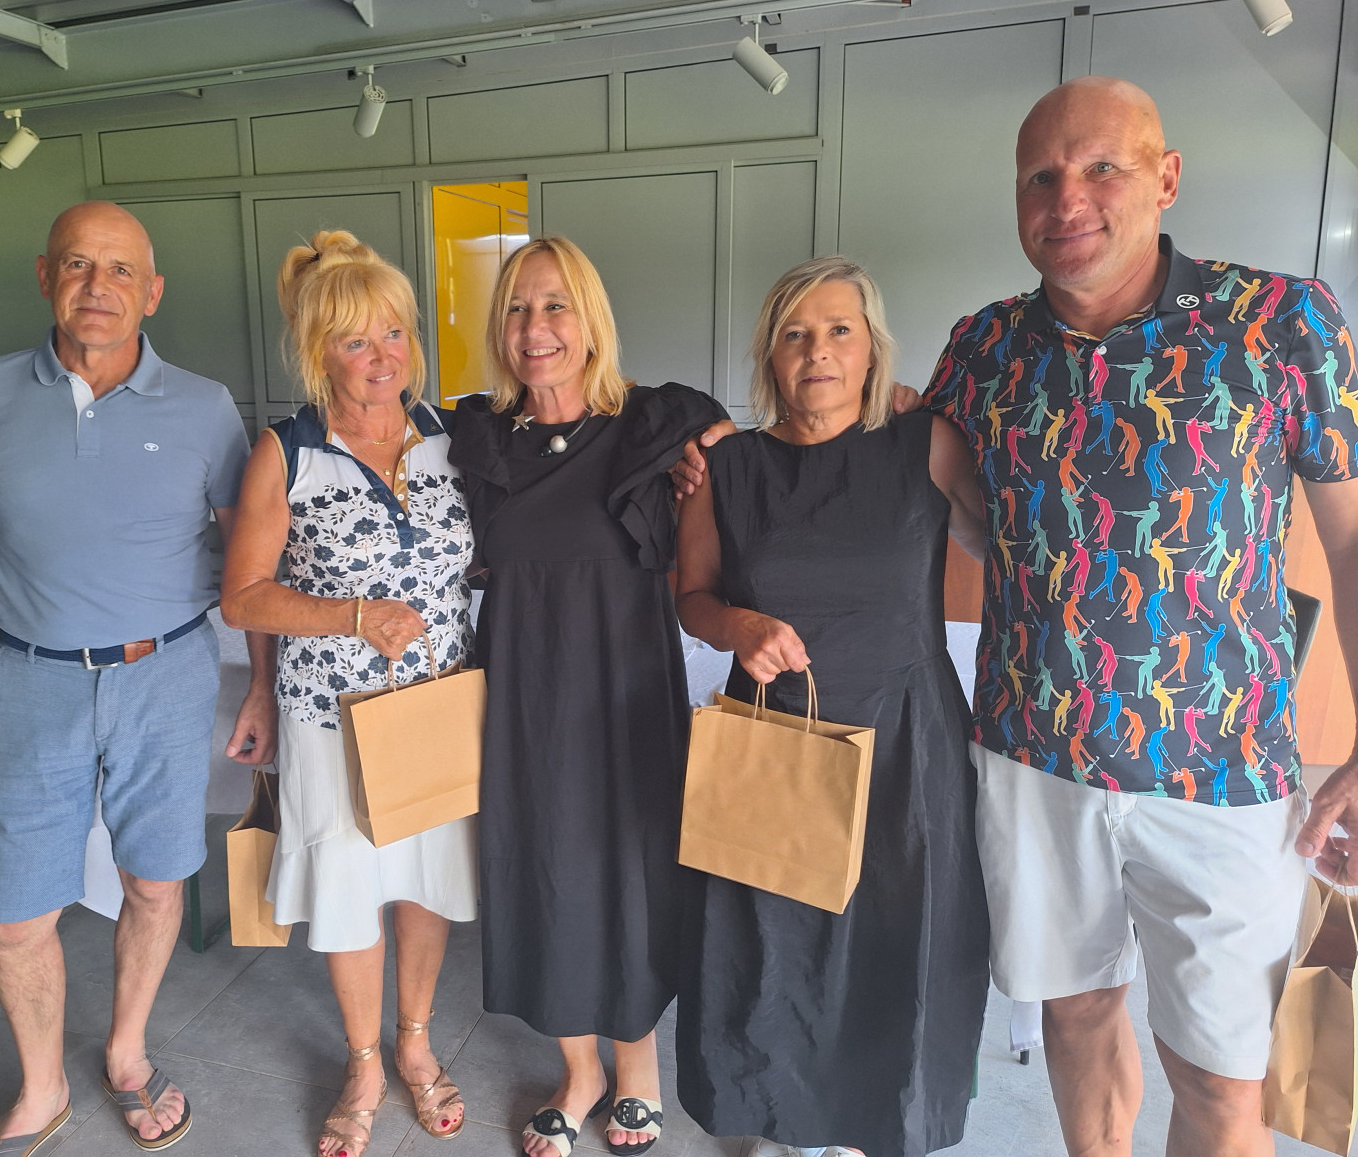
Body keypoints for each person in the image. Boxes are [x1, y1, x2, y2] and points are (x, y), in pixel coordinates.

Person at [682, 76, 1358, 1156]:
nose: (1066, 197)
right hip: (1032, 760)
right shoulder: (986, 350)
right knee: (1075, 1018)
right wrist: (736, 456)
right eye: (1040, 175)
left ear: (1166, 179)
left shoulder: (1280, 323)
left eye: (1101, 168)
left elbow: (1349, 539)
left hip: (1221, 769)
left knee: (1219, 1077)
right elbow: (903, 476)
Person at [0, 200, 266, 1155]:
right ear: (46, 276)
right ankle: (40, 1092)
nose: (97, 286)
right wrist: (38, 571)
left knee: (155, 883)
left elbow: (246, 554)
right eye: (77, 264)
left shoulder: (203, 405)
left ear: (152, 292)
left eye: (120, 270)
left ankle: (126, 1053)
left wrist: (260, 685)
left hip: (167, 673)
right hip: (31, 680)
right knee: (13, 915)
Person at [673, 256, 991, 1157]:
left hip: (906, 736)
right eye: (796, 334)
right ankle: (786, 1124)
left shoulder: (925, 444)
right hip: (778, 731)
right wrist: (737, 625)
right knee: (775, 940)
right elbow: (692, 596)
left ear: (871, 349)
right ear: (770, 356)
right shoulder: (726, 466)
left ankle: (871, 1126)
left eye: (839, 330)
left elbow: (1006, 533)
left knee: (895, 935)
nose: (818, 351)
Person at [447, 237, 726, 1157]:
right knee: (543, 868)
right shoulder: (481, 437)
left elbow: (755, 463)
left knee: (629, 873)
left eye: (555, 305)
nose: (536, 327)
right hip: (526, 690)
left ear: (591, 320)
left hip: (626, 689)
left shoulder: (655, 423)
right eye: (518, 308)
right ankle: (580, 1071)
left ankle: (637, 1069)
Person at [219, 230, 477, 1157]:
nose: (382, 357)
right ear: (317, 351)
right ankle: (364, 1061)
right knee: (350, 886)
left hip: (438, 708)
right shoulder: (287, 451)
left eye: (394, 334)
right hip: (330, 717)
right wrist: (352, 617)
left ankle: (415, 1042)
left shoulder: (450, 436)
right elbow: (244, 595)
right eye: (356, 341)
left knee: (425, 881)